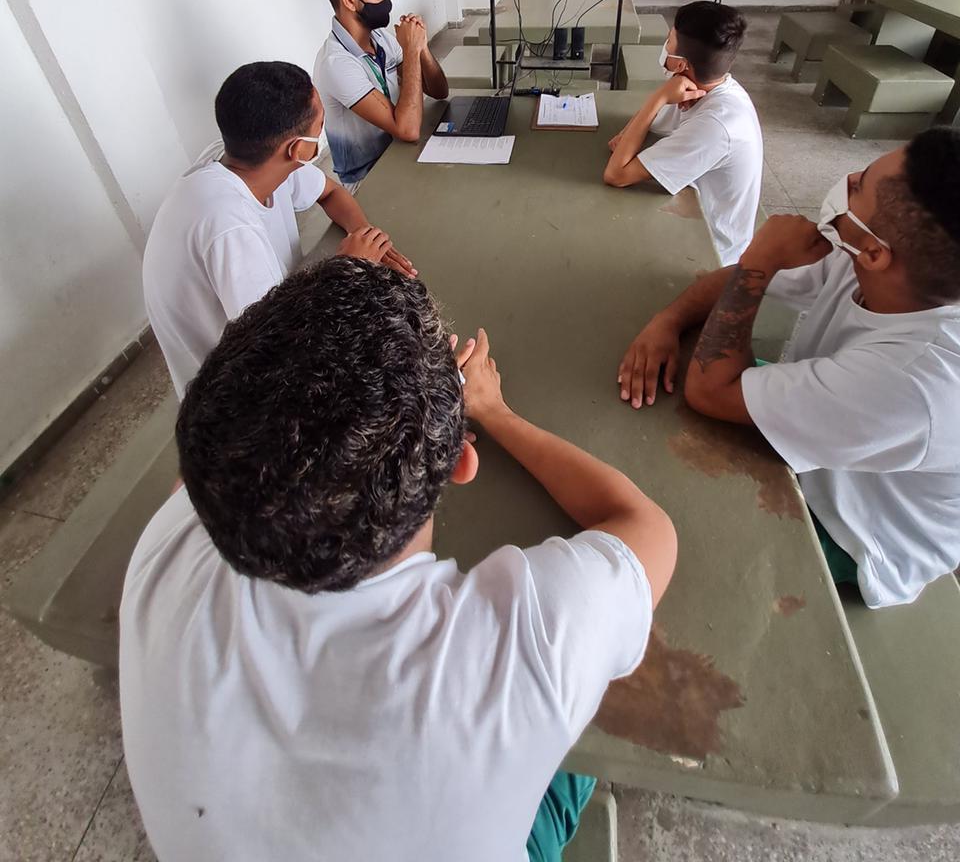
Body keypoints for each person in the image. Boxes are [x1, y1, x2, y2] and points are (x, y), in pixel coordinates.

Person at [120, 258, 677, 862]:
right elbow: (646, 528)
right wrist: (493, 412)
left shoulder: (170, 541)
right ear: (462, 461)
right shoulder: (518, 653)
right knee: (587, 711)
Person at [616, 127, 960, 609]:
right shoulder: (865, 257)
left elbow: (710, 391)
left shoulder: (912, 382)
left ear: (877, 254)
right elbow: (737, 281)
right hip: (833, 425)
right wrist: (669, 320)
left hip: (854, 529)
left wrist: (761, 257)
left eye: (859, 184)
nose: (848, 178)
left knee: (663, 532)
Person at [142, 61, 415, 397]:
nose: (322, 131)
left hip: (274, 324)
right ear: (297, 149)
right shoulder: (230, 228)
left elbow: (330, 192)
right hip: (243, 393)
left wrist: (364, 236)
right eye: (320, 124)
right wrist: (345, 270)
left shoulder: (251, 159)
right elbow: (282, 348)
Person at [603, 2, 761, 265]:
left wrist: (658, 98)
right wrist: (658, 103)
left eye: (669, 40)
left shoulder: (716, 125)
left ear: (680, 64)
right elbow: (632, 131)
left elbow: (616, 175)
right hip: (689, 203)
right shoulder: (704, 84)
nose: (665, 45)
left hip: (709, 250)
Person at [313, 0, 449, 190]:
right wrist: (410, 51)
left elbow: (439, 91)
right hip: (368, 178)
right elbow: (408, 129)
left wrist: (421, 47)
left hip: (398, 151)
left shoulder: (380, 38)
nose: (386, 0)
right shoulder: (336, 63)